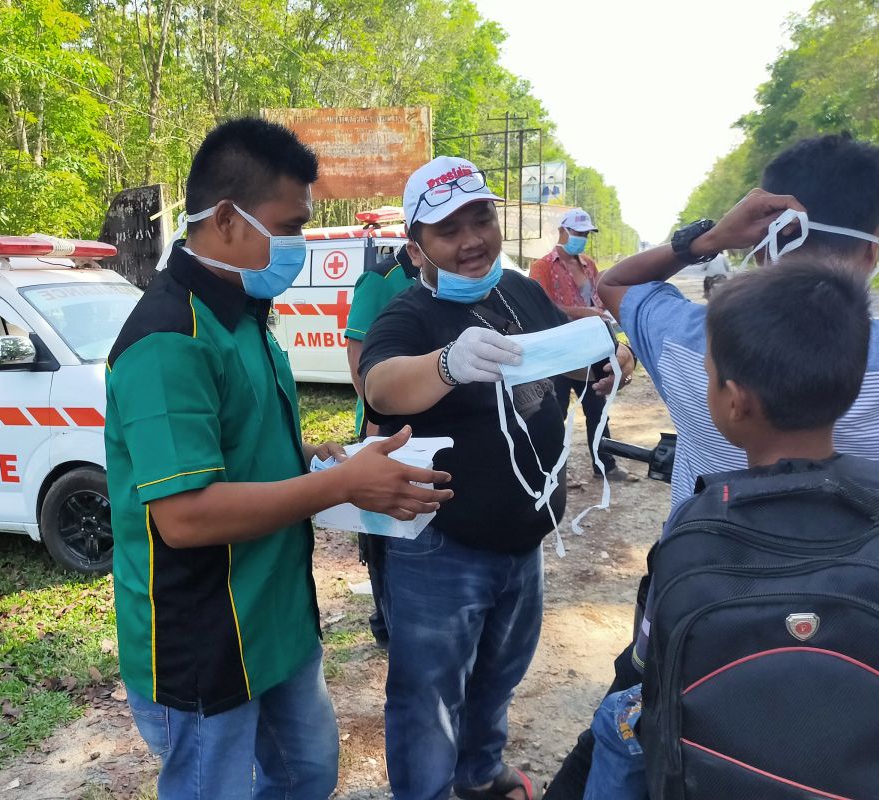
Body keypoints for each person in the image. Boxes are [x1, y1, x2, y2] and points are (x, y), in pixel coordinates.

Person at [103, 117, 454, 800]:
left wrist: (311, 456)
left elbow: (236, 439)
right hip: (206, 639)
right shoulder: (168, 339)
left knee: (307, 775)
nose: (296, 246)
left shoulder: (245, 316)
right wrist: (340, 486)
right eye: (289, 227)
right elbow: (184, 516)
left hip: (277, 623)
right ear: (229, 220)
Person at [545, 133, 879, 800]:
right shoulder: (852, 359)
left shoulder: (709, 340)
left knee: (622, 731)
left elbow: (614, 283)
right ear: (872, 249)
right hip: (856, 630)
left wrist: (704, 238)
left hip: (703, 609)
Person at [358, 155, 634, 800]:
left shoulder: (519, 290)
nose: (471, 240)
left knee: (500, 673)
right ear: (416, 245)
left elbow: (564, 352)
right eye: (448, 230)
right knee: (426, 696)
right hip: (441, 546)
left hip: (523, 538)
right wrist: (447, 365)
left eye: (480, 218)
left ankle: (480, 773)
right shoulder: (410, 315)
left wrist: (598, 358)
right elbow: (380, 385)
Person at [345, 243, 419, 649]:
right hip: (383, 425)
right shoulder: (380, 278)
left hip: (423, 424)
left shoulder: (443, 278)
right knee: (381, 529)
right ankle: (384, 619)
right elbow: (358, 351)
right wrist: (374, 416)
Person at [529, 208, 632, 481]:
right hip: (559, 352)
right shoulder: (542, 267)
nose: (582, 238)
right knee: (553, 413)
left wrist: (605, 314)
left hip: (590, 348)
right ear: (563, 231)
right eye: (578, 233)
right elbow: (540, 307)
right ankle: (550, 471)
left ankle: (605, 466)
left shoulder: (588, 264)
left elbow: (599, 300)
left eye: (586, 234)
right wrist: (582, 312)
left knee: (598, 410)